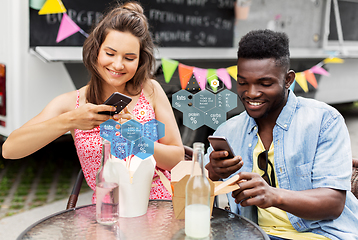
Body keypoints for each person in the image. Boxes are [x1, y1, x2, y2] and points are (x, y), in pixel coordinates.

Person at [2, 1, 184, 202]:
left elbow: (176, 158)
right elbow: (10, 149)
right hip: (106, 214)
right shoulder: (72, 103)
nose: (117, 64)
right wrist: (71, 120)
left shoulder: (150, 90)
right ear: (96, 49)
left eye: (129, 58)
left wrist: (138, 141)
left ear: (140, 60)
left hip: (159, 205)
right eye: (110, 53)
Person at [205, 29, 358, 240]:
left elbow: (333, 203)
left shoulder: (324, 121)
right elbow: (193, 188)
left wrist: (273, 195)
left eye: (264, 84)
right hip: (253, 234)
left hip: (322, 235)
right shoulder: (228, 131)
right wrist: (212, 172)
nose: (251, 93)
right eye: (242, 82)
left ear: (288, 80)